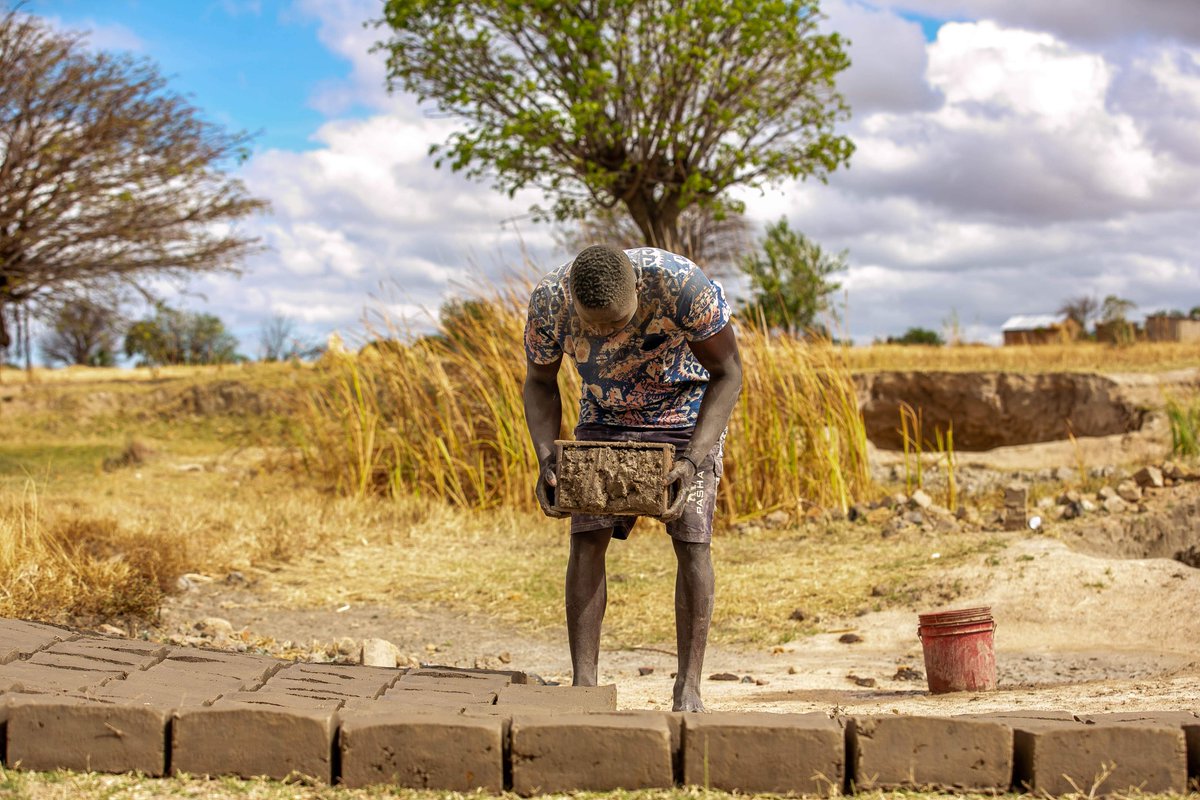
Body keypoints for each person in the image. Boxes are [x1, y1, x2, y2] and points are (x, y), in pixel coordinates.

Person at [522, 244, 742, 712]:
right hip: (605, 413)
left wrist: (692, 460)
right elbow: (539, 382)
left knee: (692, 539)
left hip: (685, 413)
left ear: (638, 294)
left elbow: (729, 373)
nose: (603, 334)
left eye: (615, 323)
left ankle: (689, 686)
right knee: (586, 538)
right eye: (592, 324)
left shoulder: (680, 286)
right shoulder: (549, 303)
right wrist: (546, 458)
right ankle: (585, 686)